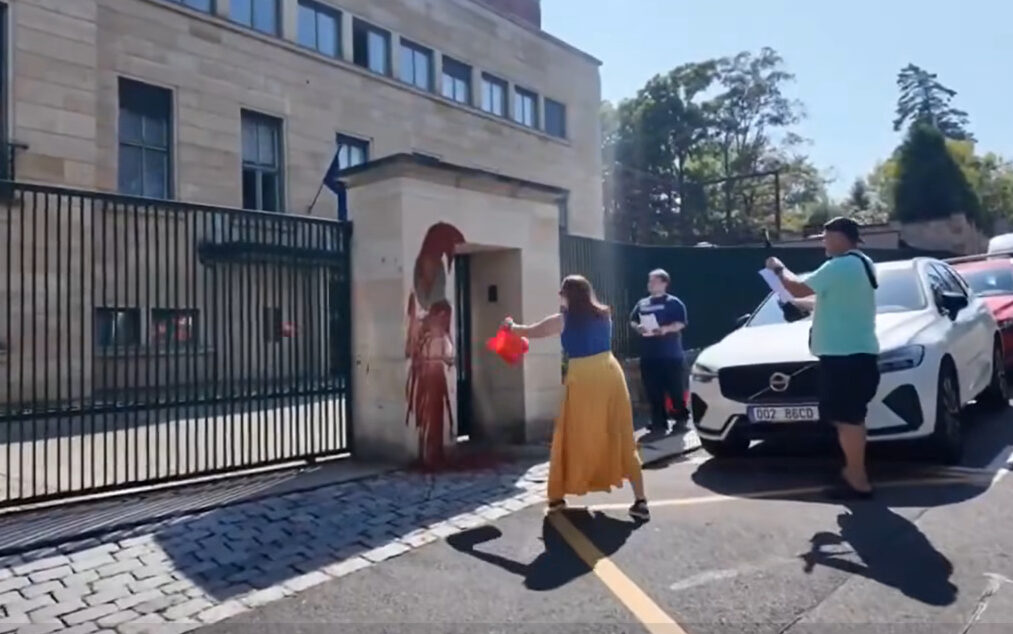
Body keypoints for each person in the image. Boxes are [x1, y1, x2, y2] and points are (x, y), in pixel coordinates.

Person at [506, 275, 650, 521]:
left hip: (583, 377)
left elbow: (532, 331)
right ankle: (641, 500)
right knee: (621, 434)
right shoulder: (604, 315)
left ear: (568, 295)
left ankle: (557, 497)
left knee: (570, 434)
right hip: (610, 372)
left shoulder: (563, 319)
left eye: (562, 292)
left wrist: (511, 326)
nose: (559, 296)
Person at [765, 216, 880, 498]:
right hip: (854, 355)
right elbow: (821, 299)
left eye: (826, 237)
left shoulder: (841, 265)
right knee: (848, 417)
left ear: (841, 237)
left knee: (849, 419)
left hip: (845, 357)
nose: (824, 243)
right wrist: (797, 304)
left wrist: (777, 268)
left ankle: (857, 479)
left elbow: (798, 286)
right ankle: (853, 472)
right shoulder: (861, 263)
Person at [629, 269, 690, 434]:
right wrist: (638, 327)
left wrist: (665, 329)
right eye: (649, 281)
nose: (650, 284)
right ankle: (658, 421)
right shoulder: (642, 303)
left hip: (670, 354)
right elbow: (633, 320)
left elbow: (681, 323)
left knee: (675, 388)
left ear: (664, 283)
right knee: (653, 389)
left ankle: (680, 418)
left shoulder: (674, 302)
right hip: (649, 354)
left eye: (654, 281)